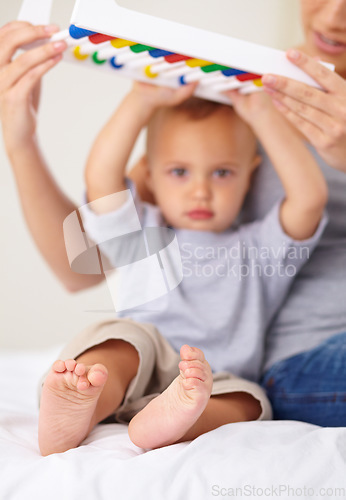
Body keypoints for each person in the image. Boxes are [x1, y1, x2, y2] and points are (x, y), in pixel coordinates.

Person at [0, 0, 344, 436]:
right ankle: (77, 402)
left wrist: (261, 115)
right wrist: (139, 101)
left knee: (249, 402)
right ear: (150, 176)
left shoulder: (259, 248)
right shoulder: (143, 231)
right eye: (179, 172)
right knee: (117, 345)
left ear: (249, 176)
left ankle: (168, 422)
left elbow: (308, 199)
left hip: (215, 376)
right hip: (147, 352)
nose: (200, 189)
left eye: (222, 172)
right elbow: (102, 176)